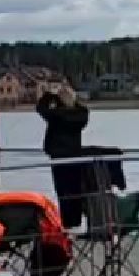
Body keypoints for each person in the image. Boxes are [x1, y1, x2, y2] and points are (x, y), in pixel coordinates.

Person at [36, 81, 90, 228]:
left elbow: (42, 109)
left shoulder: (57, 115)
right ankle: (76, 222)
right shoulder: (81, 114)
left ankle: (66, 224)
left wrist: (47, 95)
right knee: (74, 191)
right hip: (75, 155)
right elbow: (79, 109)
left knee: (63, 192)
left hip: (59, 157)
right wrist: (71, 101)